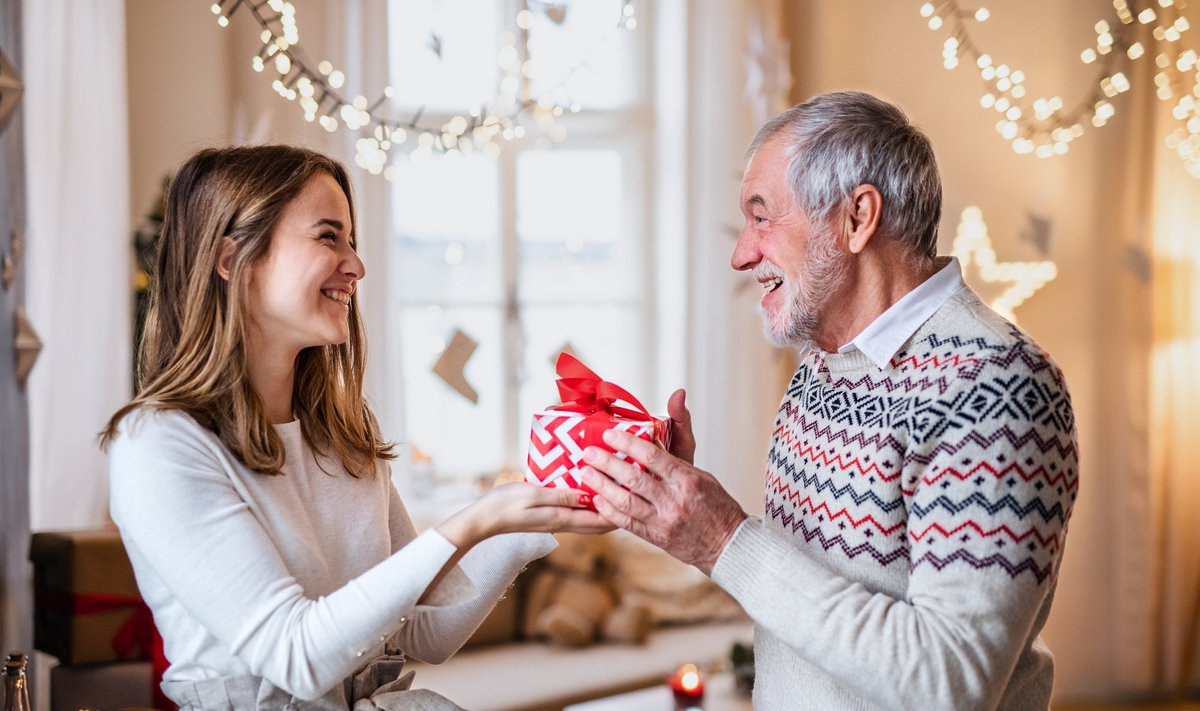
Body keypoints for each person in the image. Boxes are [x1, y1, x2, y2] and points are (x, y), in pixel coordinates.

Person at [579, 91, 1079, 710]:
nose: (741, 254)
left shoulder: (998, 384)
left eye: (763, 218)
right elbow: (810, 615)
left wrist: (724, 541)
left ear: (856, 218)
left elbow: (952, 683)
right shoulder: (821, 366)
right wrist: (684, 519)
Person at [101, 145, 609, 710]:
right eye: (328, 236)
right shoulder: (158, 445)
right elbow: (295, 655)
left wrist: (539, 513)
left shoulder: (340, 433)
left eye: (353, 241)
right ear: (230, 258)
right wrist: (476, 519)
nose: (356, 266)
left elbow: (423, 632)